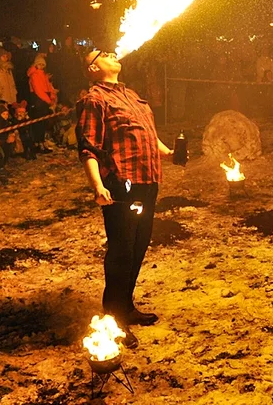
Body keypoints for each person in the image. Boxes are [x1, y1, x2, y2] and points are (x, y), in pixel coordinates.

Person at [76, 48, 174, 349]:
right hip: (121, 185)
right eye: (103, 54)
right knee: (121, 251)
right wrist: (97, 186)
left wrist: (168, 151)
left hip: (148, 180)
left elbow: (146, 132)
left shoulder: (131, 95)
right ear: (93, 68)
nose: (112, 54)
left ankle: (126, 307)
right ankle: (113, 320)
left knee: (139, 246)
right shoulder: (94, 99)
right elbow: (88, 148)